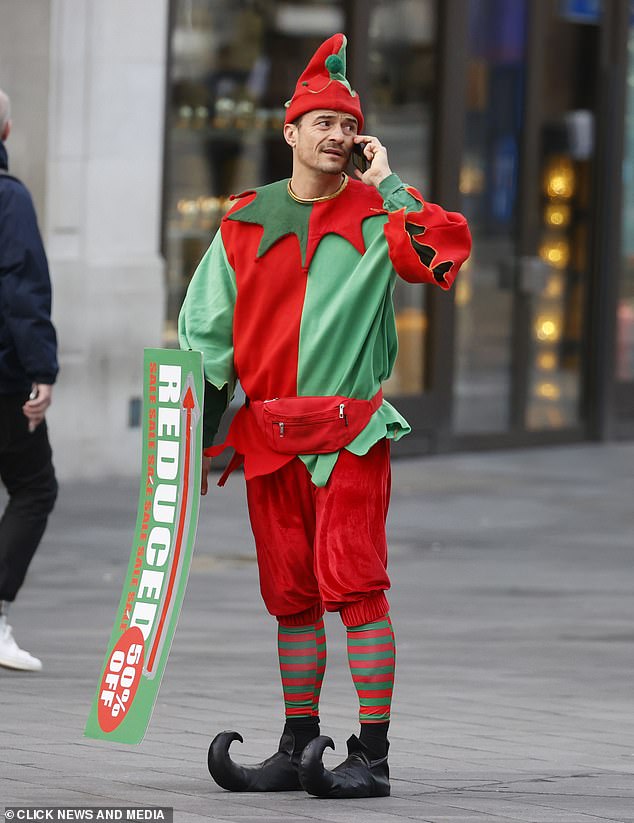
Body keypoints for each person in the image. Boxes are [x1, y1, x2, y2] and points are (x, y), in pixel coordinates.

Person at [179, 34, 471, 798]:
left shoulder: (380, 212)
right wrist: (202, 436)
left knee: (357, 589)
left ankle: (370, 755)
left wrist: (393, 182)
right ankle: (298, 740)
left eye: (349, 126)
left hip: (349, 438)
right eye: (324, 124)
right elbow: (205, 336)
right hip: (269, 438)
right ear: (291, 132)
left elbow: (441, 253)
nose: (338, 137)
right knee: (291, 597)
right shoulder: (244, 219)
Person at [0, 89, 58, 672]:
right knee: (36, 486)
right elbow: (21, 287)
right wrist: (41, 371)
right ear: (7, 132)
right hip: (3, 377)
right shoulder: (8, 198)